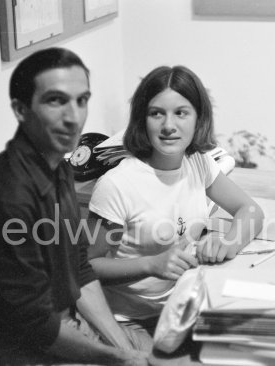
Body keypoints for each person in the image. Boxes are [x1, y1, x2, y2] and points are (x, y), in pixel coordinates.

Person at [0, 47, 150, 365]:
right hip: (17, 353)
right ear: (20, 110)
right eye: (56, 101)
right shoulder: (6, 199)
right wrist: (116, 357)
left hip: (58, 329)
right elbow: (34, 328)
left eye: (81, 100)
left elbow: (79, 267)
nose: (73, 117)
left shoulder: (57, 166)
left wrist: (122, 347)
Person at [87, 65, 265, 325]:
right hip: (133, 319)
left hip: (185, 303)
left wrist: (229, 242)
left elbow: (250, 210)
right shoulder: (116, 185)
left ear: (198, 118)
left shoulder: (197, 162)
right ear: (141, 119)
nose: (169, 125)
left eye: (181, 113)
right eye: (157, 114)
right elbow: (88, 266)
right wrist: (151, 264)